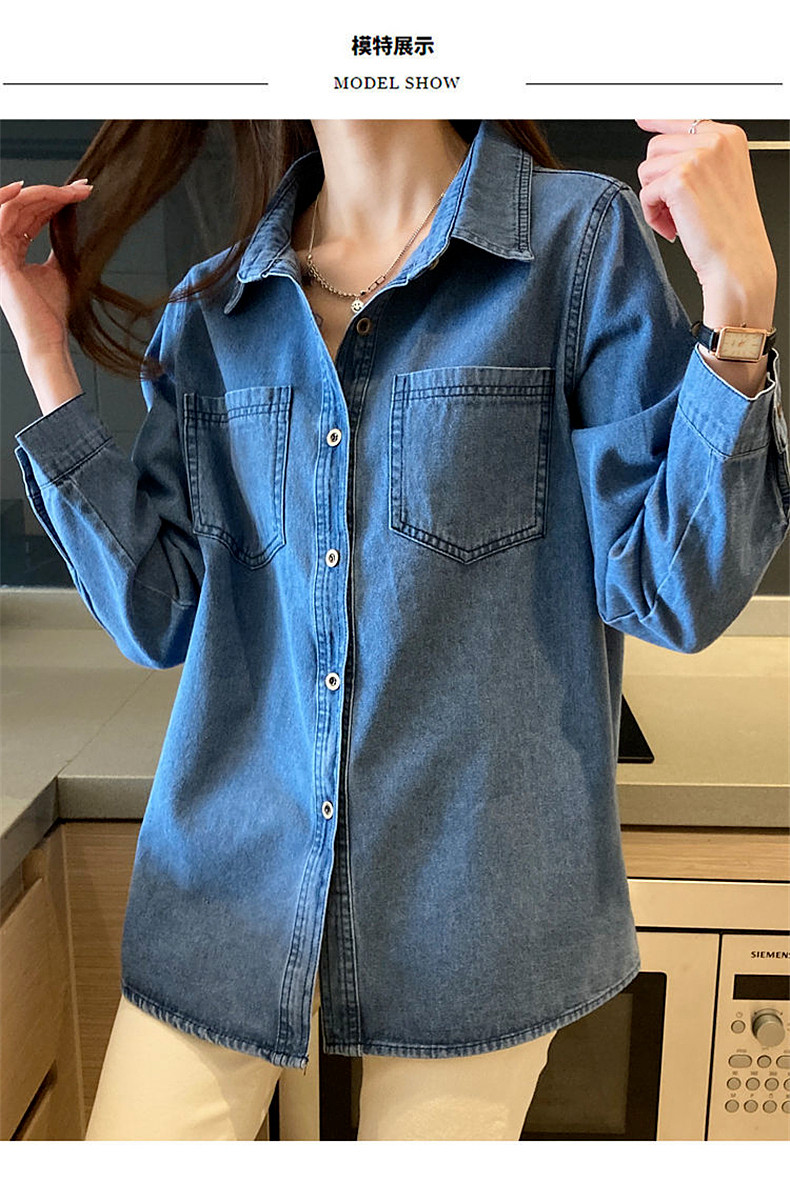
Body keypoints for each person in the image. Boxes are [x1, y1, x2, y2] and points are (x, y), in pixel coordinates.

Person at [1, 118, 787, 1141]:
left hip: (477, 900)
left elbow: (668, 591)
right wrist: (43, 347)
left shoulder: (576, 245)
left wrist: (739, 307)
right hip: (226, 882)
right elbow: (162, 612)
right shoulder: (214, 306)